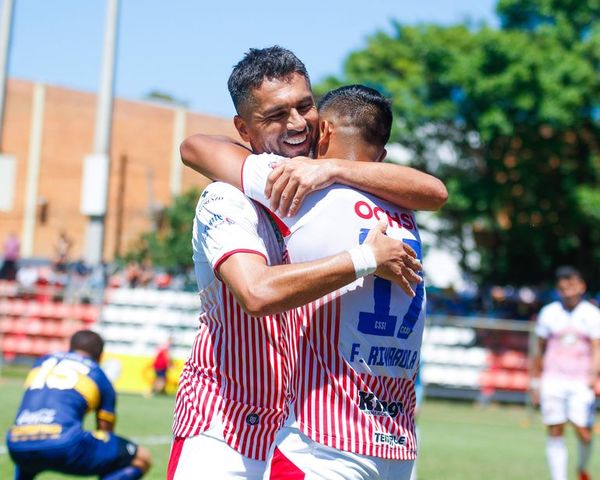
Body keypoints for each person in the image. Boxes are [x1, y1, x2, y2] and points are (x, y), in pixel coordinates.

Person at [168, 47, 446, 480]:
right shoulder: (231, 193)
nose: (297, 123)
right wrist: (364, 258)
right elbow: (256, 291)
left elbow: (434, 190)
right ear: (244, 128)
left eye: (304, 106)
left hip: (305, 423)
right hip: (227, 424)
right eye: (276, 115)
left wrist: (334, 168)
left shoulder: (332, 188)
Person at [6, 330, 152, 480]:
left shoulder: (42, 362)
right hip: (64, 445)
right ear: (100, 356)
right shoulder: (98, 374)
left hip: (16, 444)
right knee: (142, 458)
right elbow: (106, 433)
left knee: (29, 444)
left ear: (70, 347)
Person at [530, 266, 600, 480]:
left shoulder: (592, 314)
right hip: (553, 380)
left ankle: (581, 467)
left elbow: (597, 349)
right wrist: (535, 382)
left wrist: (594, 377)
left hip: (581, 382)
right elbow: (538, 350)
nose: (567, 293)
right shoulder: (549, 313)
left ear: (581, 287)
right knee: (555, 428)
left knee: (583, 431)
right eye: (563, 288)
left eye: (571, 287)